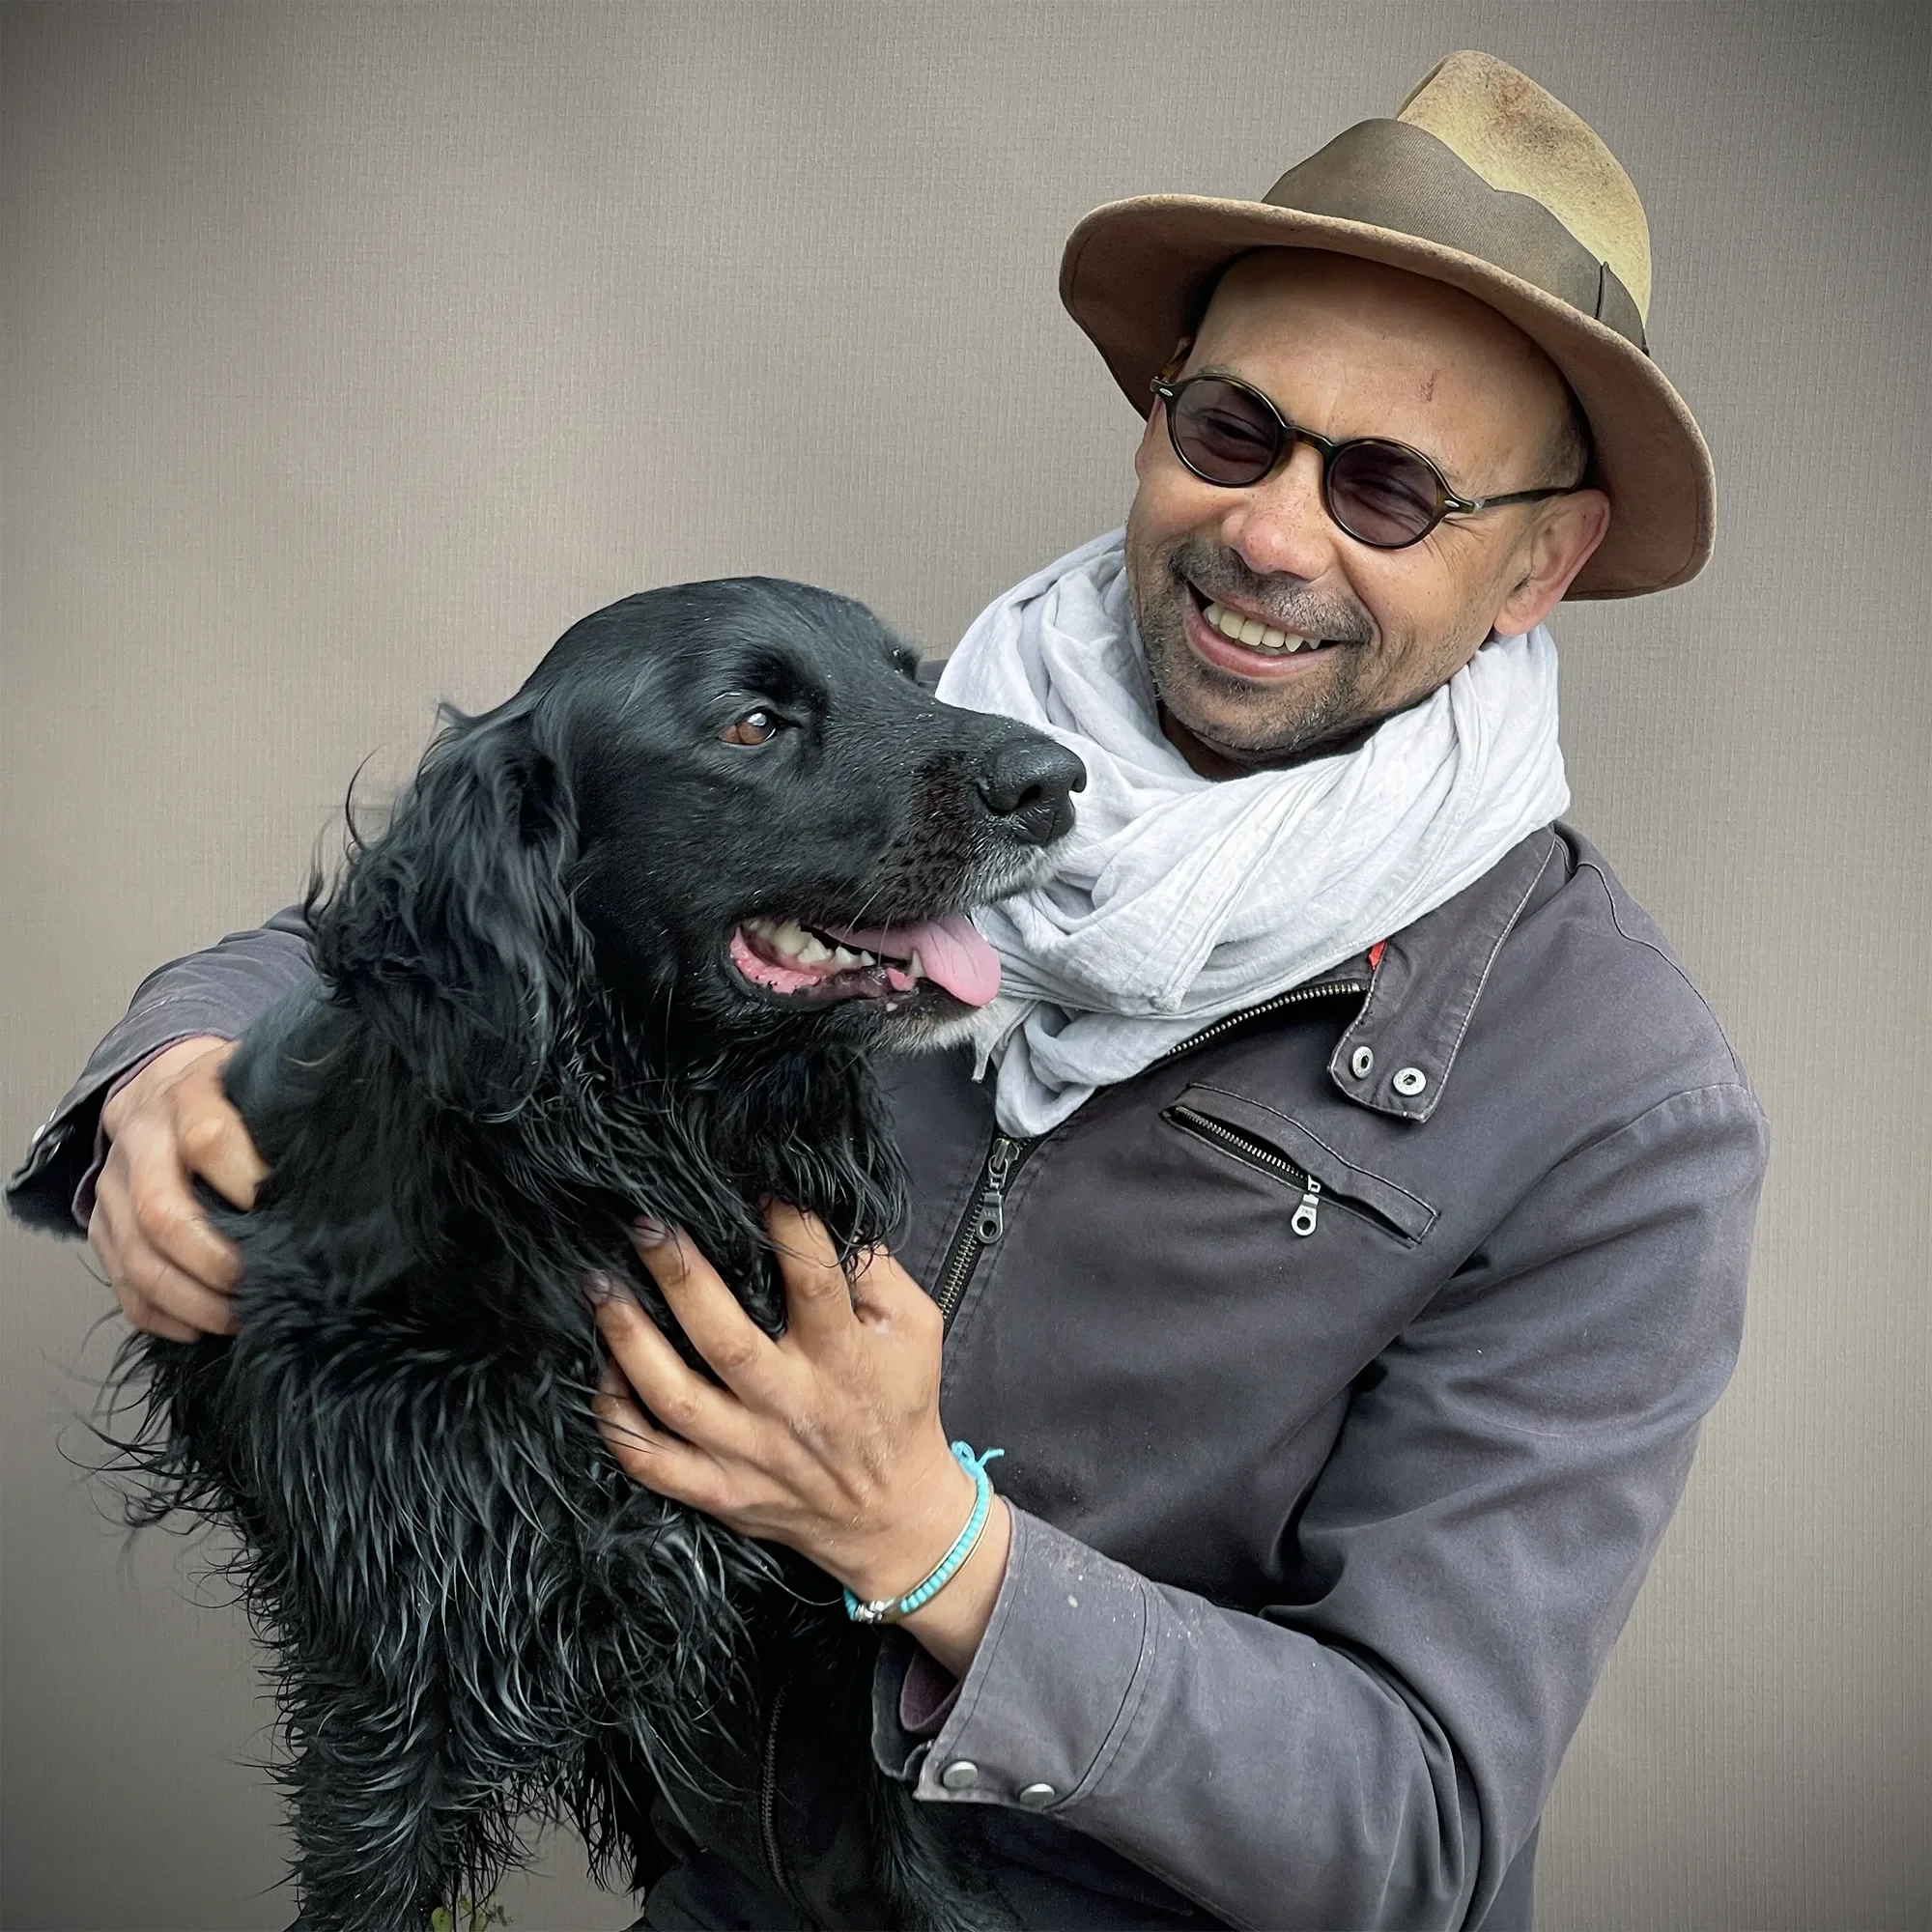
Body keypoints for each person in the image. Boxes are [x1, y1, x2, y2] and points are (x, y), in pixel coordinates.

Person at [8, 51, 1768, 1932]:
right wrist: (175, 1056)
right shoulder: (929, 757)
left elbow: (1411, 1827)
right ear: (1159, 419)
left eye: (1390, 489)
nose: (1270, 533)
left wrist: (932, 1544)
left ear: (1539, 559)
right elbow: (496, 896)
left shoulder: (1617, 1104)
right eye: (1234, 429)